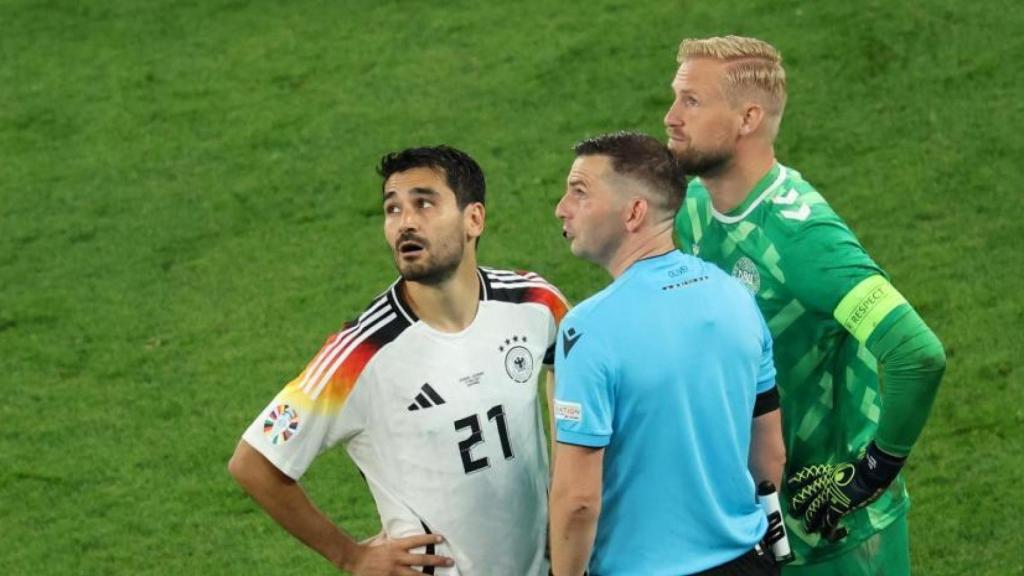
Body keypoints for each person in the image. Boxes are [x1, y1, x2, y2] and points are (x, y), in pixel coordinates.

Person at [665, 35, 947, 575]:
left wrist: (869, 473)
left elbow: (916, 353)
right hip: (753, 527)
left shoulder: (804, 239)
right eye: (676, 97)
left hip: (835, 539)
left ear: (748, 118)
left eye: (691, 101)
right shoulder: (695, 207)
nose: (671, 116)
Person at [228, 145, 568, 575]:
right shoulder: (361, 354)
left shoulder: (534, 301)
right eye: (393, 209)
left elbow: (570, 369)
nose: (405, 222)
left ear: (474, 219)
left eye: (423, 203)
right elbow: (254, 462)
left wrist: (565, 486)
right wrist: (350, 556)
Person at [549, 131, 785, 576]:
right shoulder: (735, 296)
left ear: (633, 213)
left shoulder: (588, 329)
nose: (562, 207)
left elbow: (578, 501)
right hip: (748, 561)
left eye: (580, 192)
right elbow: (770, 454)